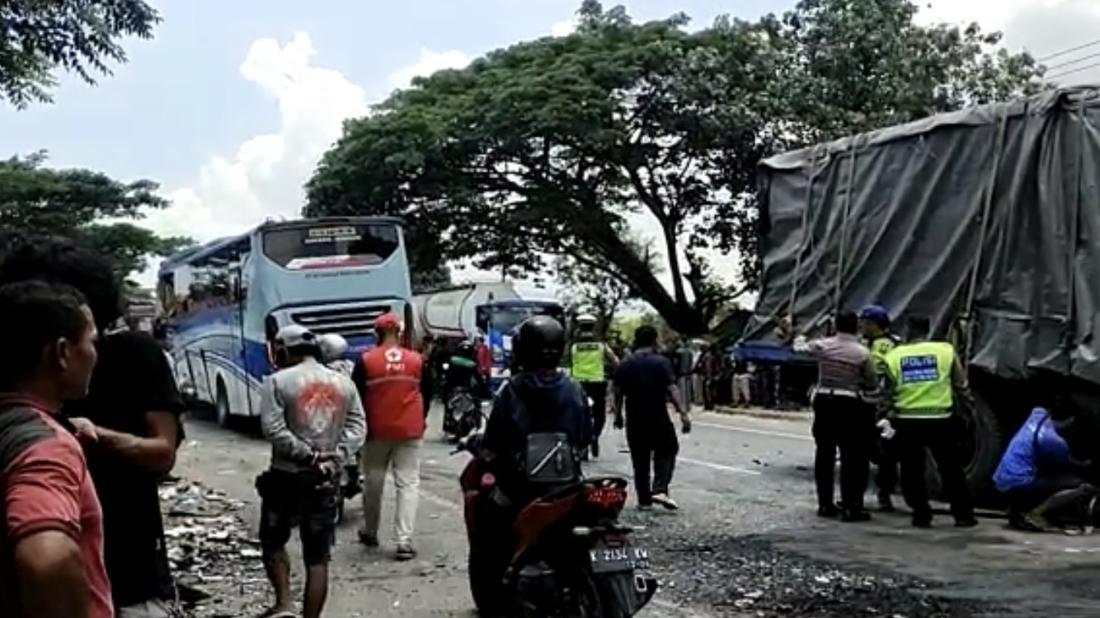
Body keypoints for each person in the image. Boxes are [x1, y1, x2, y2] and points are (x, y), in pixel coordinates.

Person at [0, 236, 186, 617]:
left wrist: (102, 436)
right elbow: (46, 557)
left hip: (128, 570)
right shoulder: (47, 441)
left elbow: (162, 453)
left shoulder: (133, 356)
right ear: (62, 351)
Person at [0, 281, 112, 618]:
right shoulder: (48, 448)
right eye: (92, 342)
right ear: (61, 353)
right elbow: (47, 559)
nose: (95, 354)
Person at [258, 324, 366, 618]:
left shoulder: (277, 382)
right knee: (317, 558)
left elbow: (273, 429)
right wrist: (335, 457)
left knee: (272, 540)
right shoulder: (343, 382)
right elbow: (358, 427)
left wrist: (308, 455)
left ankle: (283, 604)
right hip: (327, 479)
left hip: (286, 475)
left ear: (283, 349)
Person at [881, 315, 978, 529]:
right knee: (951, 469)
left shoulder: (894, 356)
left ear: (908, 330)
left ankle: (921, 514)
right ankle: (963, 515)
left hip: (907, 421)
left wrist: (885, 416)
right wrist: (968, 411)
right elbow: (961, 385)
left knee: (912, 471)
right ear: (928, 329)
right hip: (940, 419)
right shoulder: (945, 352)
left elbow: (888, 392)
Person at [352, 313, 425, 560]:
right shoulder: (416, 360)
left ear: (377, 334)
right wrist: (419, 420)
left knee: (373, 481)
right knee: (408, 483)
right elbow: (428, 391)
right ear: (400, 334)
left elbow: (357, 397)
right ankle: (404, 541)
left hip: (376, 430)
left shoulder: (366, 361)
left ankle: (371, 532)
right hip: (410, 430)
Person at [794, 311, 879, 521]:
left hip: (824, 401)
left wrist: (799, 335)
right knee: (851, 456)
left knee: (824, 454)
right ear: (857, 326)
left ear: (835, 325)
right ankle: (851, 507)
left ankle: (825, 505)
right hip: (849, 403)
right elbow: (871, 382)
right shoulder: (862, 353)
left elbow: (798, 349)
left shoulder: (823, 346)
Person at [614, 325, 691, 511]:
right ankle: (660, 488)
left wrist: (617, 414)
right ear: (654, 339)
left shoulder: (625, 363)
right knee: (668, 449)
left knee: (639, 459)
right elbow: (672, 388)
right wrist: (683, 413)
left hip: (634, 419)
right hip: (657, 417)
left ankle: (644, 500)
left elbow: (618, 392)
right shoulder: (661, 362)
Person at [994, 403, 1096, 532]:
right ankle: (1036, 514)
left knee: (1039, 469)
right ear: (1070, 420)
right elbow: (1067, 465)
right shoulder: (1055, 441)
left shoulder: (1037, 413)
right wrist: (1086, 464)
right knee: (1079, 486)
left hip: (1001, 481)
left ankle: (1016, 509)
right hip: (1017, 486)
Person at [860, 304, 902, 512]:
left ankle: (880, 493)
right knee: (887, 453)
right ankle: (884, 493)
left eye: (864, 322)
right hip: (888, 405)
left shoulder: (881, 345)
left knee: (879, 451)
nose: (861, 326)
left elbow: (874, 373)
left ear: (873, 325)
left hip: (879, 406)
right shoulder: (892, 342)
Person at [569, 313, 619, 458]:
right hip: (597, 384)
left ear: (579, 327)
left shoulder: (573, 347)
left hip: (578, 385)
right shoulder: (601, 346)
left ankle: (581, 442)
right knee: (599, 414)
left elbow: (565, 363)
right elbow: (615, 362)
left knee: (577, 414)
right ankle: (595, 435)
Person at [696, 344, 722, 411]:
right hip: (712, 376)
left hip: (709, 376)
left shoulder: (707, 357)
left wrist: (708, 378)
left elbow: (708, 368)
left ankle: (709, 405)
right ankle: (710, 405)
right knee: (711, 391)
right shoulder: (712, 356)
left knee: (708, 392)